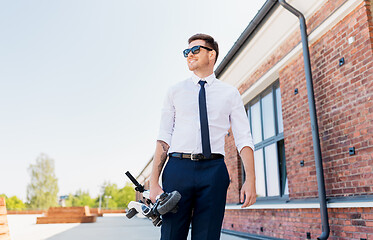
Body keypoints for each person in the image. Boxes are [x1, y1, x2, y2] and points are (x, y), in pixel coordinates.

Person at [149, 33, 256, 240]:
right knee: (171, 236)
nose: (189, 55)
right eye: (186, 52)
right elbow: (164, 138)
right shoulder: (174, 91)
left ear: (211, 54)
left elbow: (244, 138)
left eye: (195, 50)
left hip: (213, 172)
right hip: (178, 169)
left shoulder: (230, 93)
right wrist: (154, 183)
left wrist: (250, 179)